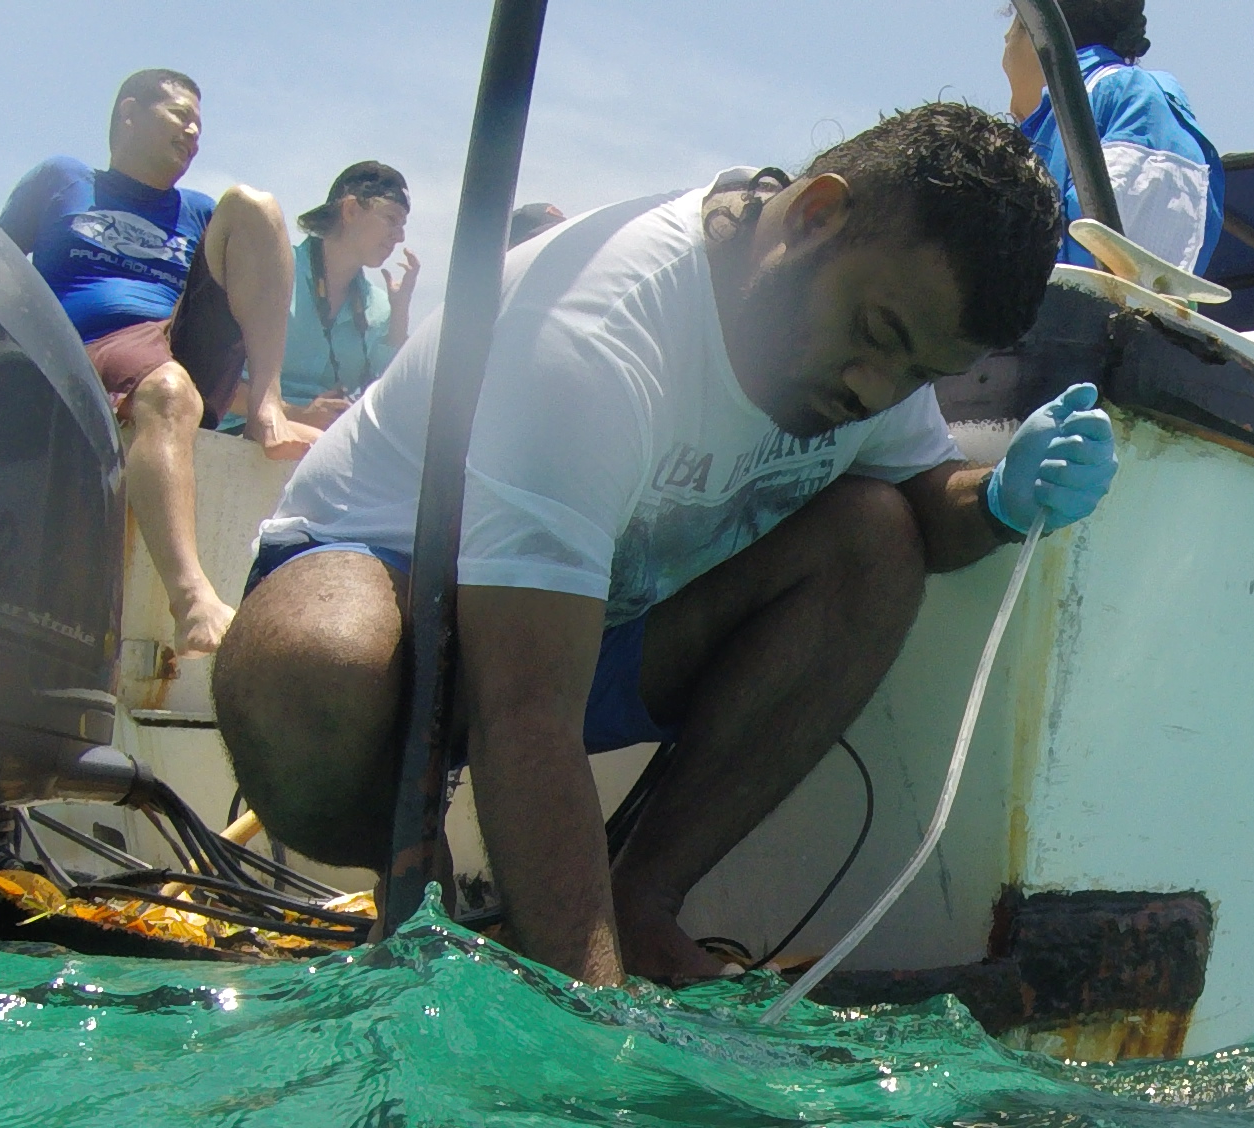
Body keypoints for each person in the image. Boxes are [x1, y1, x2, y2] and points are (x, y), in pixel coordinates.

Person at [214, 104, 1119, 988]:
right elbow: (525, 707)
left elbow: (921, 497)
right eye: (878, 337)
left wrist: (996, 500)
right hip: (388, 618)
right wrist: (598, 1037)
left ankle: (642, 901)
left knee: (875, 541)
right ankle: (421, 902)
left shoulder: (874, 328)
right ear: (814, 217)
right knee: (318, 670)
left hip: (591, 628)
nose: (876, 390)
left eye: (919, 374)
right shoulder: (599, 334)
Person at [0, 69, 321, 655]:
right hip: (92, 342)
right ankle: (192, 600)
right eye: (180, 115)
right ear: (128, 113)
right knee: (168, 389)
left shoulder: (197, 211)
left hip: (172, 339)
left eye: (200, 123)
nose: (194, 132)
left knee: (254, 205)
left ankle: (265, 408)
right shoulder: (63, 179)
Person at [1002, 0, 1223, 273]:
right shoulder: (1071, 117)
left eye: (1011, 31)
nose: (1005, 41)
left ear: (1035, 29)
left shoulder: (1136, 100)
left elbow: (1128, 277)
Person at [270, 161, 417, 430]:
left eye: (403, 225)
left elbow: (389, 406)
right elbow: (214, 382)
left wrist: (399, 316)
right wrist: (296, 414)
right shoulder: (273, 268)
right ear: (350, 210)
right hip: (242, 432)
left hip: (322, 443)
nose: (400, 236)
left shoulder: (381, 308)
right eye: (391, 219)